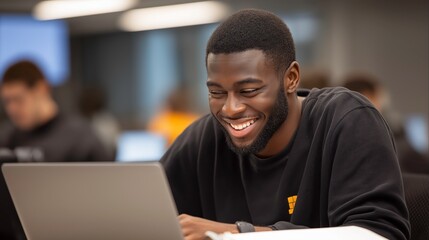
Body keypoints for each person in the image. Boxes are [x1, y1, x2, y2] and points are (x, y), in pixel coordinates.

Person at [161, 9, 410, 240]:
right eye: (217, 93)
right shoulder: (204, 139)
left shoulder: (347, 120)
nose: (230, 108)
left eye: (248, 90)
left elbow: (378, 233)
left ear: (290, 78)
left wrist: (236, 234)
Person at [0, 60, 110, 162]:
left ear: (42, 89)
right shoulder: (7, 138)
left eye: (18, 99)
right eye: (7, 101)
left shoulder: (80, 138)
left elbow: (106, 178)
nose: (11, 109)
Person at [342, 73, 429, 174]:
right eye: (378, 96)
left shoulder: (339, 131)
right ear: (367, 96)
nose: (382, 101)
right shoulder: (385, 130)